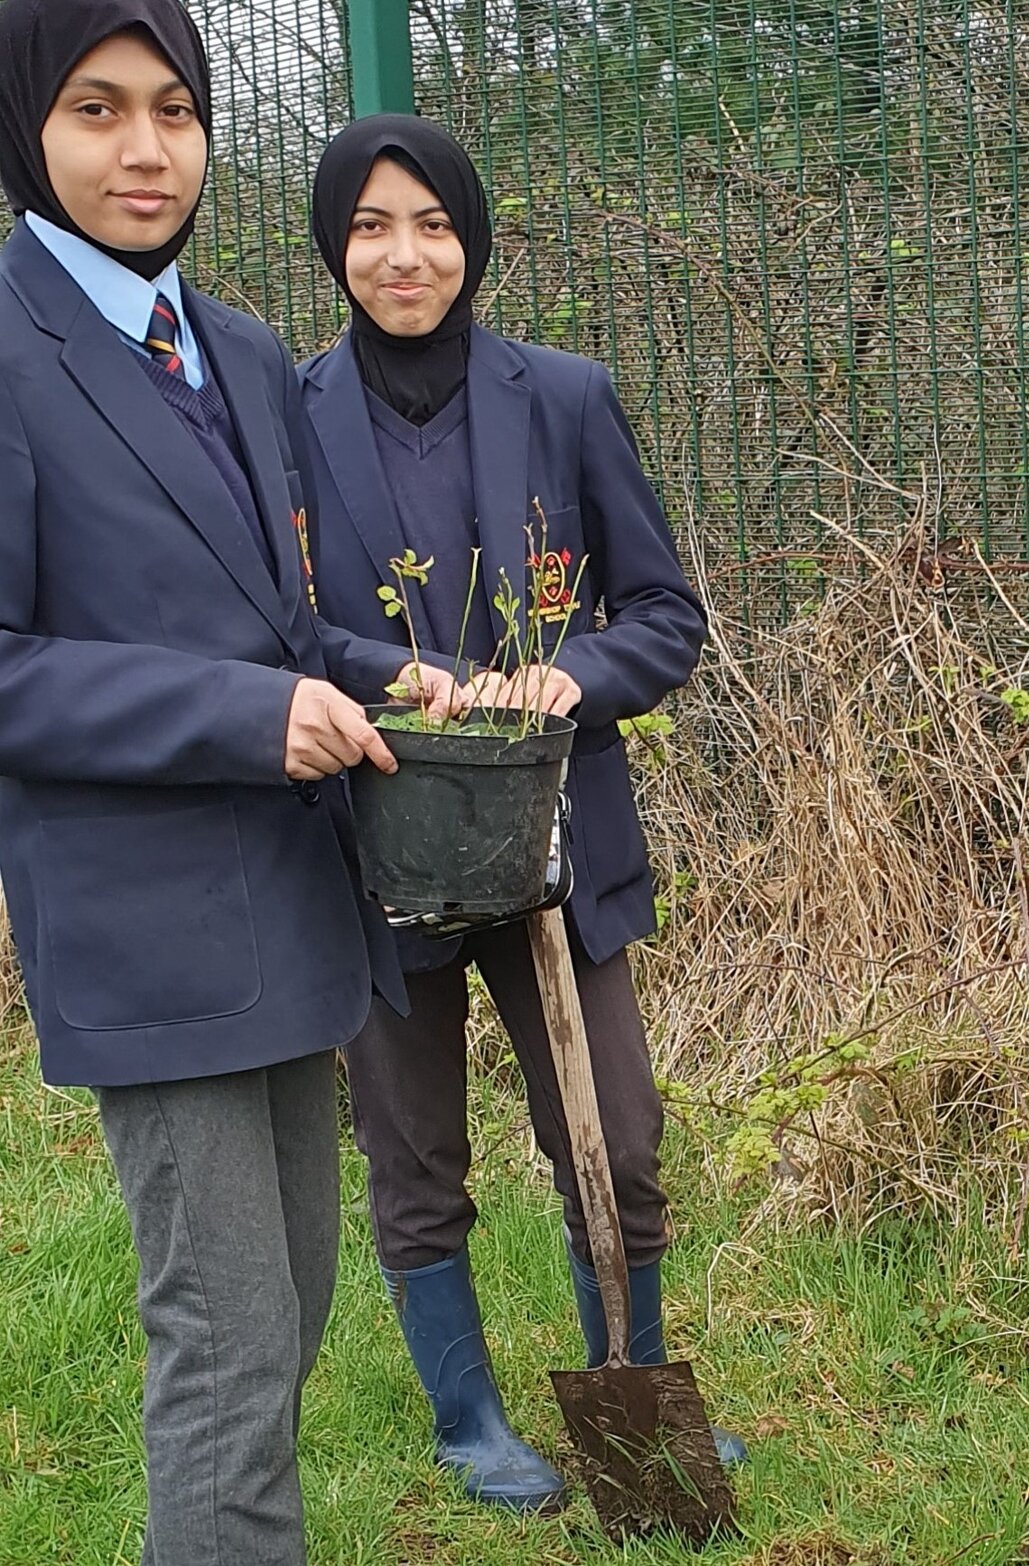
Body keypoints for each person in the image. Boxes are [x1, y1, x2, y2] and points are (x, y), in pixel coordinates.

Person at [0, 4, 460, 1562]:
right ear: (24, 124)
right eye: (95, 108)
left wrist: (387, 670)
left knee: (293, 1320)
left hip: (292, 907)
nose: (145, 151)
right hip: (147, 924)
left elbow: (278, 620)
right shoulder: (7, 346)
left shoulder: (241, 347)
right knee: (228, 1348)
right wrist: (243, 714)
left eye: (175, 111)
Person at [296, 113, 737, 1511]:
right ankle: (468, 1418)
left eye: (430, 223)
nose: (402, 253)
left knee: (616, 1135)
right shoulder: (287, 416)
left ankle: (635, 1399)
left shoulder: (564, 395)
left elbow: (667, 612)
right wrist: (393, 674)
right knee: (416, 1148)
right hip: (382, 845)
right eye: (370, 226)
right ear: (335, 248)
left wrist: (571, 675)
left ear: (471, 239)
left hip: (554, 838)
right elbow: (274, 627)